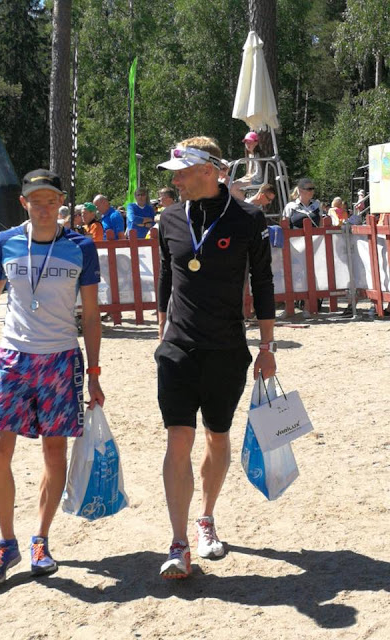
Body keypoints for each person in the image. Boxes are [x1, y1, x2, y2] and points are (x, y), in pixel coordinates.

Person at [0, 168, 104, 585]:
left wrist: (94, 372)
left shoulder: (81, 246)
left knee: (54, 451)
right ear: (23, 203)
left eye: (51, 200)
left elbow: (92, 314)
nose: (44, 208)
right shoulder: (4, 242)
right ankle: (6, 542)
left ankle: (41, 538)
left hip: (60, 359)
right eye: (36, 201)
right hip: (13, 358)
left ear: (61, 202)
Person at [155, 137, 276, 579]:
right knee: (178, 439)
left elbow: (263, 282)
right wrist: (161, 332)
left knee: (217, 436)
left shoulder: (248, 218)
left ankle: (205, 518)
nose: (175, 181)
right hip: (177, 350)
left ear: (209, 170)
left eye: (182, 173)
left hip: (226, 349)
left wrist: (267, 347)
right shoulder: (169, 218)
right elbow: (166, 278)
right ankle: (178, 543)